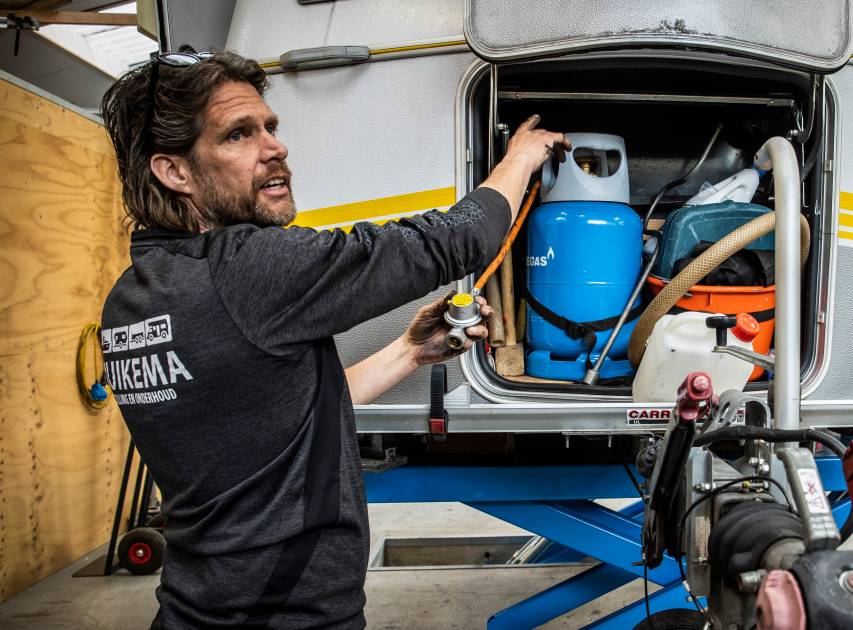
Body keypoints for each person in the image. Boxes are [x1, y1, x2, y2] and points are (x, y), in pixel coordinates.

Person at [98, 50, 565, 628]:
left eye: (271, 126)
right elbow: (455, 240)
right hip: (287, 614)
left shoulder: (131, 297)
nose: (275, 147)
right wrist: (520, 157)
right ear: (175, 172)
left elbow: (272, 417)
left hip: (198, 607)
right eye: (238, 135)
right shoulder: (249, 268)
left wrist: (408, 353)